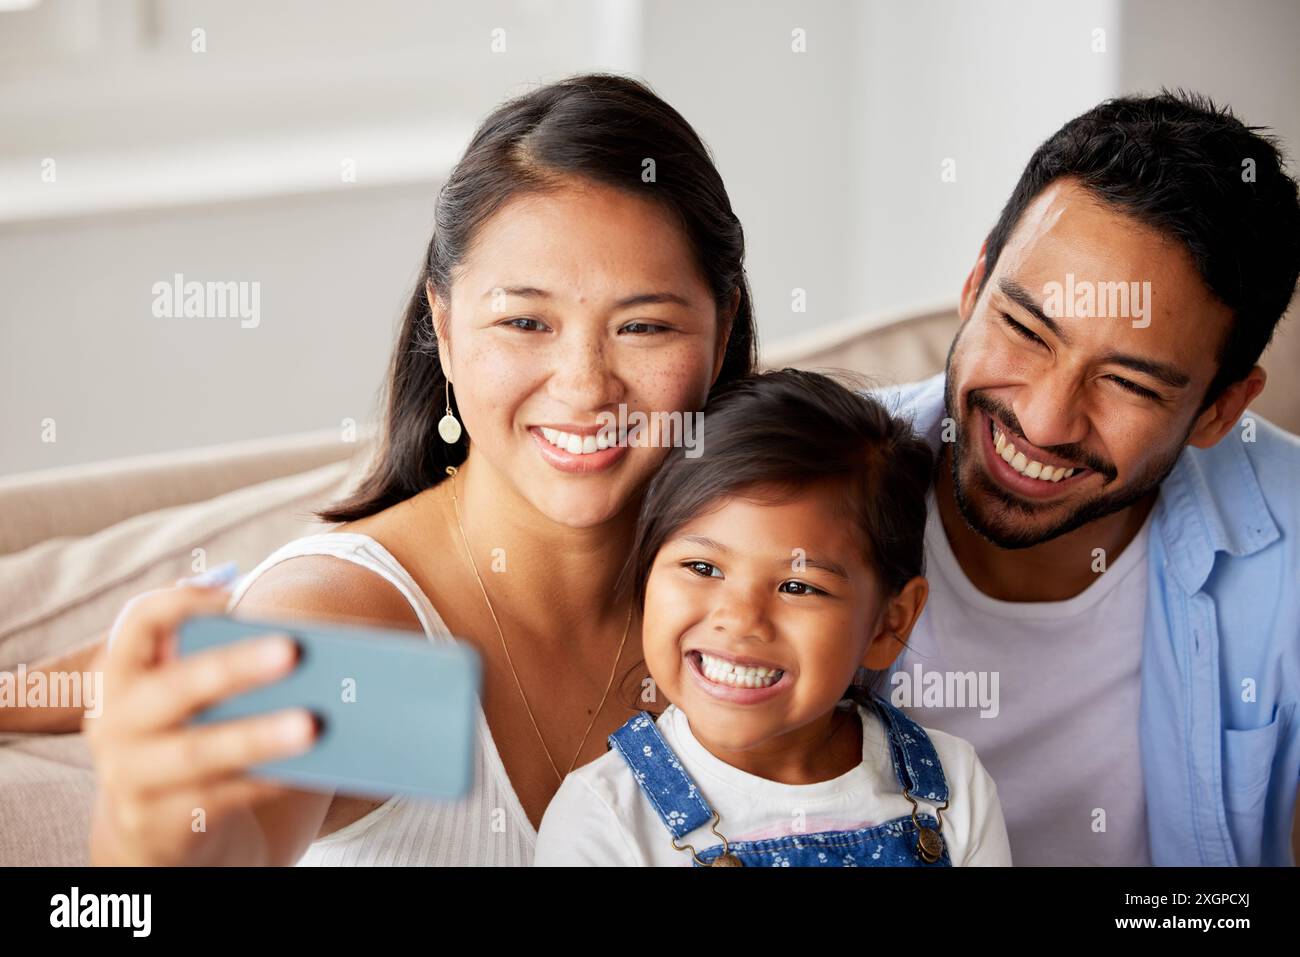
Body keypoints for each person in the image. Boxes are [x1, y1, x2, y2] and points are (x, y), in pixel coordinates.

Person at [83, 72, 760, 866]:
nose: (584, 385)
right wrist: (150, 839)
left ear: (720, 339)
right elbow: (234, 837)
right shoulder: (356, 625)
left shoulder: (756, 603)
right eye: (524, 321)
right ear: (443, 325)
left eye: (642, 325)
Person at [877, 91, 1300, 866]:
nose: (1044, 421)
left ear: (1219, 408)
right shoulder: (784, 486)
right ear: (975, 283)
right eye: (1025, 330)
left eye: (1131, 385)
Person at [534, 369, 1012, 866]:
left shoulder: (950, 788)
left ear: (890, 623)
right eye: (702, 567)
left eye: (798, 586)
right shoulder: (605, 817)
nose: (741, 620)